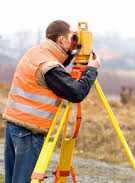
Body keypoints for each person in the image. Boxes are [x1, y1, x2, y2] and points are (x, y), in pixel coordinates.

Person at [2, 20, 100, 183]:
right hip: (29, 132)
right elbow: (76, 93)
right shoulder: (49, 67)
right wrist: (91, 70)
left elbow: (60, 64)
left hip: (15, 125)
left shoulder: (36, 52)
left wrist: (74, 50)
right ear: (61, 40)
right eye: (71, 38)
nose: (74, 41)